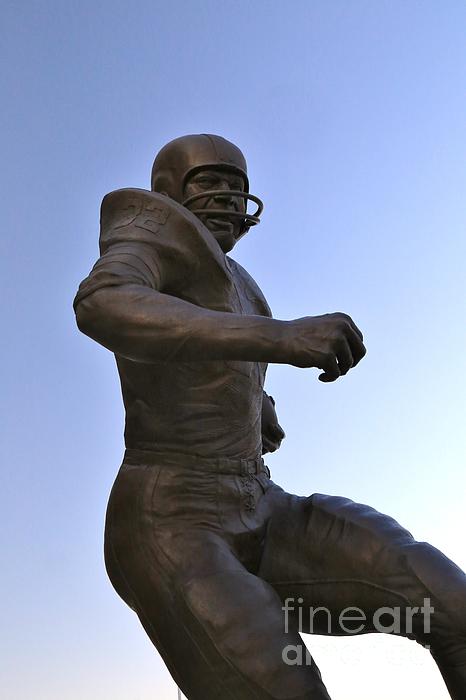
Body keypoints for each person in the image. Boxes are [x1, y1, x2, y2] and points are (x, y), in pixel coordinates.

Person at [74, 134, 466, 699]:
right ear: (167, 191)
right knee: (285, 688)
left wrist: (258, 405)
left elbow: (215, 355)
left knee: (444, 600)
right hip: (173, 518)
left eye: (238, 187)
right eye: (210, 182)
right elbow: (104, 301)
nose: (229, 199)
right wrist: (281, 338)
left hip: (260, 501)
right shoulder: (149, 233)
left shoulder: (241, 285)